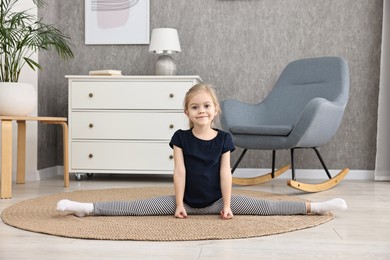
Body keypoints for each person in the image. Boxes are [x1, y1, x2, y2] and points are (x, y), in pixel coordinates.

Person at [57, 83, 347, 219]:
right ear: (186, 111)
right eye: (195, 107)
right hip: (185, 201)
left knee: (268, 207)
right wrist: (180, 204)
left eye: (206, 106)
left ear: (215, 109)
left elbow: (224, 173)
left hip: (218, 201)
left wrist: (228, 205)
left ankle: (316, 208)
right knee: (137, 208)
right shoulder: (180, 137)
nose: (201, 110)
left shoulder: (224, 139)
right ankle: (88, 209)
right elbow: (179, 171)